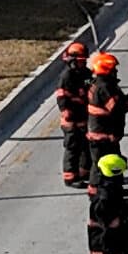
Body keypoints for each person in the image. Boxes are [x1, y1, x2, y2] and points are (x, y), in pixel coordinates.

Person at [86, 51, 128, 166]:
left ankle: (114, 182)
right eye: (113, 69)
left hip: (102, 132)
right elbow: (116, 108)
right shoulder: (105, 88)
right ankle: (101, 183)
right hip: (103, 134)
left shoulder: (98, 83)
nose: (116, 71)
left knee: (111, 162)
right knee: (104, 165)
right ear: (107, 70)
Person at [54, 40, 90, 188]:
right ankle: (70, 177)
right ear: (73, 61)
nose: (83, 64)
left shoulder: (86, 73)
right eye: (81, 61)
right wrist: (66, 111)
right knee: (73, 148)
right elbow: (61, 96)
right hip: (71, 120)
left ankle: (84, 172)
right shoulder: (67, 76)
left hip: (84, 116)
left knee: (85, 147)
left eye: (84, 61)